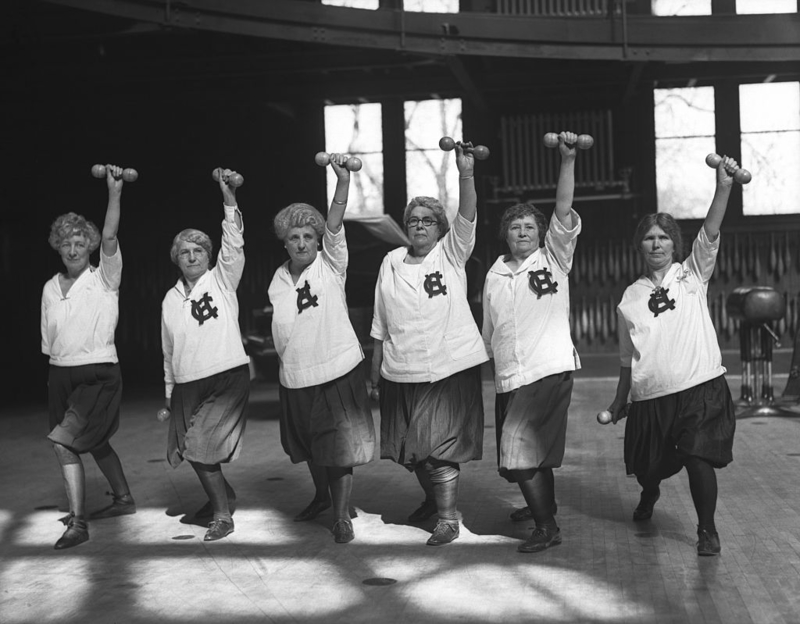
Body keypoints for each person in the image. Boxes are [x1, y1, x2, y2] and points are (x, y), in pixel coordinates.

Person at [606, 156, 740, 557]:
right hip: (651, 397)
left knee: (698, 458)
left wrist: (724, 187)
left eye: (663, 237)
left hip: (699, 388)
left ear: (674, 244)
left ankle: (707, 530)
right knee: (649, 469)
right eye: (649, 238)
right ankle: (650, 494)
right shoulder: (630, 296)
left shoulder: (692, 275)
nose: (657, 244)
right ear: (640, 246)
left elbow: (711, 228)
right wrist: (619, 399)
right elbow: (627, 357)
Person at [370, 142, 488, 546]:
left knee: (438, 448)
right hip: (401, 369)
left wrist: (466, 173)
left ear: (440, 228)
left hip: (448, 366)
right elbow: (380, 321)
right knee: (410, 451)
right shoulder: (390, 261)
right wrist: (374, 372)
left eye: (428, 221)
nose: (420, 226)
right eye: (414, 221)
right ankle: (433, 499)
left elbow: (467, 217)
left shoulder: (451, 254)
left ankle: (448, 518)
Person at [268, 153, 376, 544]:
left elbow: (334, 224)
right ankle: (320, 496)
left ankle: (342, 514)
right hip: (295, 374)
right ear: (285, 241)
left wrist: (342, 182)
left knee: (337, 446)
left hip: (337, 369)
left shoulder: (331, 265)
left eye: (308, 236)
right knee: (309, 445)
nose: (301, 242)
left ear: (318, 241)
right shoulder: (278, 279)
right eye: (294, 237)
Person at [482, 131, 581, 554]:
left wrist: (567, 161)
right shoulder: (494, 274)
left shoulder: (554, 258)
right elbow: (489, 330)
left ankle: (547, 526)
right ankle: (544, 503)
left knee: (518, 451)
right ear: (505, 235)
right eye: (515, 227)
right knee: (528, 455)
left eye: (529, 227)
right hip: (509, 375)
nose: (522, 232)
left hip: (547, 368)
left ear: (542, 234)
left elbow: (562, 208)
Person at [41, 164, 136, 550]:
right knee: (93, 442)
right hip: (60, 373)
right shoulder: (50, 287)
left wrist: (114, 192)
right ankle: (124, 499)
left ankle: (78, 523)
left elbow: (111, 232)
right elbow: (49, 339)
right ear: (59, 248)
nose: (74, 248)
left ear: (91, 246)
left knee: (64, 442)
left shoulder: (104, 278)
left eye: (81, 242)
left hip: (98, 372)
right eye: (67, 243)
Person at [160, 168, 250, 542]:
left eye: (198, 250)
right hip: (186, 382)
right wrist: (169, 391)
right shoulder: (169, 298)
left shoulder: (222, 279)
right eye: (185, 252)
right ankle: (223, 494)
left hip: (226, 375)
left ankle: (222, 515)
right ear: (176, 259)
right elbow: (168, 349)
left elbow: (234, 243)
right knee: (189, 448)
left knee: (200, 447)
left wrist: (228, 199)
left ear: (208, 255)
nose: (192, 256)